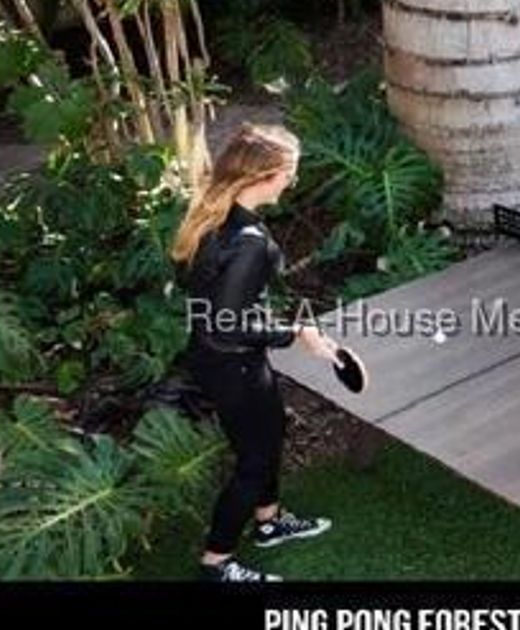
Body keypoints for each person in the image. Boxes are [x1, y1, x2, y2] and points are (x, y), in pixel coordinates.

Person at [170, 123, 340, 582]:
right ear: (265, 177)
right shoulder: (249, 243)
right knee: (254, 461)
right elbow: (229, 325)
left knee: (270, 432)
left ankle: (269, 521)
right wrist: (296, 333)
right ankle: (216, 563)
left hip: (220, 358)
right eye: (290, 173)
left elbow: (220, 306)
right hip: (231, 362)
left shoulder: (217, 218)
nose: (292, 181)